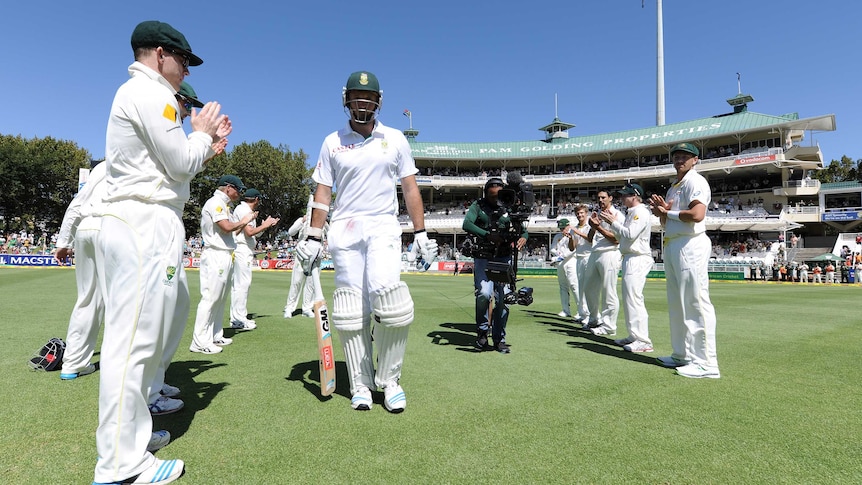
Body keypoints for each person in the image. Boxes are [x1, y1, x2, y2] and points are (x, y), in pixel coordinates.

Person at [96, 20, 230, 484]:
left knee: (142, 339)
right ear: (159, 53)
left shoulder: (145, 94)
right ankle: (120, 465)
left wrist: (205, 145)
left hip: (148, 219)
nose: (185, 70)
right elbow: (178, 162)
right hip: (142, 222)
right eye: (183, 60)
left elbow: (172, 169)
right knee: (132, 344)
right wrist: (202, 134)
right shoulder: (150, 94)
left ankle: (128, 440)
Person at [298, 71, 437, 413]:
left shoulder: (395, 139)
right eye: (357, 98)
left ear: (378, 101)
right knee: (350, 310)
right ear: (346, 100)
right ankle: (359, 382)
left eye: (368, 98)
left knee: (391, 302)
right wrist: (315, 235)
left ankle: (390, 381)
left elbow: (410, 188)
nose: (363, 104)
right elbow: (323, 191)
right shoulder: (332, 141)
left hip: (383, 225)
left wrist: (420, 232)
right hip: (345, 228)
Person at [649, 142, 719, 379]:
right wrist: (662, 213)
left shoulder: (695, 181)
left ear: (695, 160)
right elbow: (666, 222)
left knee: (695, 302)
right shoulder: (673, 188)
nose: (680, 159)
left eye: (685, 156)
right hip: (673, 243)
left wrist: (666, 212)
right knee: (677, 303)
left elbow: (697, 216)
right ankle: (682, 354)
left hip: (691, 244)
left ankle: (707, 363)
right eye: (677, 156)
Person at [190, 175, 256, 354]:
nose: (239, 193)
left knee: (220, 298)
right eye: (238, 189)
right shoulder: (215, 203)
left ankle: (215, 334)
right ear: (228, 187)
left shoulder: (224, 205)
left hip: (225, 253)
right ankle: (200, 341)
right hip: (216, 254)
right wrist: (245, 221)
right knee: (211, 297)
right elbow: (226, 227)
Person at [54, 161, 107, 382]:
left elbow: (76, 204)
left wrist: (64, 241)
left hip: (85, 228)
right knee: (120, 301)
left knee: (87, 299)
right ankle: (118, 363)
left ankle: (73, 363)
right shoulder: (139, 155)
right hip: (113, 226)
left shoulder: (100, 168)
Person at [462, 177, 528, 353]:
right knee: (484, 293)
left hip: (504, 257)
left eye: (498, 195)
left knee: (504, 299)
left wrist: (523, 238)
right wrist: (487, 235)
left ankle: (499, 338)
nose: (496, 199)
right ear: (485, 194)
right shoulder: (478, 205)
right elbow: (466, 223)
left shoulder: (510, 205)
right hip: (483, 257)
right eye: (492, 196)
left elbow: (524, 230)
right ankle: (483, 332)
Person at [603, 183, 653, 353]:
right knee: (629, 298)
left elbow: (630, 234)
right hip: (630, 256)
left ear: (635, 196)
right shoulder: (631, 213)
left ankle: (643, 340)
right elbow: (622, 236)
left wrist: (614, 222)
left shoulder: (640, 212)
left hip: (637, 257)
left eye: (626, 195)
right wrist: (611, 223)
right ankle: (634, 336)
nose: (622, 198)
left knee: (634, 298)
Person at [230, 188, 279, 329]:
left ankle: (238, 317)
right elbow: (250, 232)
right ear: (256, 199)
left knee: (239, 285)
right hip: (242, 249)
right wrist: (265, 225)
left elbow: (252, 233)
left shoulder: (243, 209)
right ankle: (238, 319)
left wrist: (265, 226)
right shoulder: (245, 211)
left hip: (242, 248)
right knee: (242, 284)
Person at [583, 190, 623, 336]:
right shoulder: (597, 214)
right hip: (595, 252)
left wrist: (598, 227)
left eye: (603, 197)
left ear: (610, 198)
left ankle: (609, 326)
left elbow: (617, 239)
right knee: (589, 288)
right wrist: (593, 225)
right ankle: (594, 319)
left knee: (608, 290)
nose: (600, 200)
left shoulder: (617, 215)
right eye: (598, 198)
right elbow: (589, 237)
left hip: (610, 253)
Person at [283, 212, 324, 319]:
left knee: (311, 283)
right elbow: (291, 232)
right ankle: (289, 308)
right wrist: (302, 221)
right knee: (296, 281)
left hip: (317, 254)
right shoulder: (303, 219)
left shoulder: (323, 221)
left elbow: (330, 233)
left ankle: (307, 308)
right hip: (303, 252)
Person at [550, 218, 577, 318]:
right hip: (560, 262)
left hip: (571, 261)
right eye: (561, 228)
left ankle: (581, 311)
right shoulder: (557, 236)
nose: (562, 230)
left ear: (568, 226)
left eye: (564, 227)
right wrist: (558, 255)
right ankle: (566, 310)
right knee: (563, 287)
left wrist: (562, 256)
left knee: (574, 285)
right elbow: (552, 248)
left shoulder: (573, 234)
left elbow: (573, 249)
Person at [570, 205, 592, 324]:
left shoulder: (590, 225)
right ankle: (583, 314)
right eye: (578, 214)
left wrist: (577, 232)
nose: (580, 215)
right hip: (579, 258)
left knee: (588, 287)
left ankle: (590, 315)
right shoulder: (576, 228)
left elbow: (591, 239)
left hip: (589, 257)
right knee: (581, 287)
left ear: (586, 213)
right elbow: (572, 248)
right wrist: (570, 238)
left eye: (582, 213)